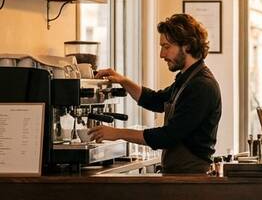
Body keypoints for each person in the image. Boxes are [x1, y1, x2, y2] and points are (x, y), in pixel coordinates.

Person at [88, 13, 222, 175]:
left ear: (186, 46)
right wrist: (122, 80)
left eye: (166, 47)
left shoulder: (201, 86)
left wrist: (117, 133)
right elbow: (155, 100)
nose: (161, 54)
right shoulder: (187, 79)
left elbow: (167, 137)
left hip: (190, 177)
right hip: (178, 174)